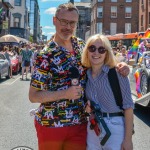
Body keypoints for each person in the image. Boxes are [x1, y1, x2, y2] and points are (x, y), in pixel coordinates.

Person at [29, 2, 130, 150]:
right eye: (64, 21)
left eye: (72, 23)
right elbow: (33, 96)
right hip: (51, 124)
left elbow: (100, 61)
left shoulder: (82, 46)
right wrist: (65, 93)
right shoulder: (45, 55)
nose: (68, 27)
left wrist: (120, 65)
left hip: (80, 124)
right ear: (54, 20)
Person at [81, 34, 134, 150]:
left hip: (115, 128)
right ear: (87, 51)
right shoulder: (85, 75)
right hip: (93, 128)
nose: (96, 53)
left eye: (101, 49)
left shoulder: (118, 73)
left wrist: (128, 140)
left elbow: (129, 108)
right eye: (92, 48)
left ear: (107, 53)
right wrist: (88, 108)